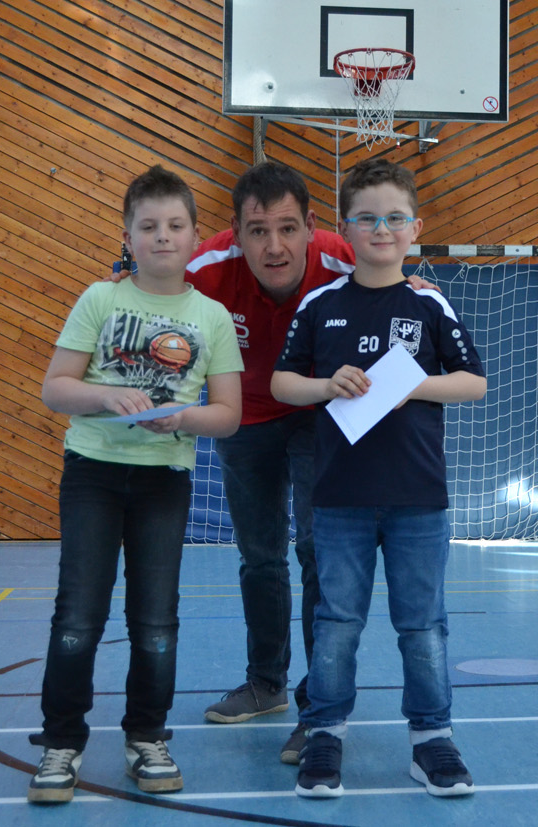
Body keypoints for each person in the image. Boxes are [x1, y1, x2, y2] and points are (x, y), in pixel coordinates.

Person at [27, 165, 243, 804]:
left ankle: (147, 736)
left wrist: (182, 418)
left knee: (155, 620)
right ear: (128, 237)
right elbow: (55, 389)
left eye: (175, 225)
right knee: (78, 614)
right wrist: (104, 396)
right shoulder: (100, 299)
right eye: (148, 226)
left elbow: (228, 415)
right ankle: (61, 743)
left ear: (196, 236)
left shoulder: (212, 316)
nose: (162, 236)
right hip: (92, 475)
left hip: (163, 482)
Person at [271, 158, 486, 799]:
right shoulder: (321, 304)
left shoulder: (428, 302)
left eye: (395, 218)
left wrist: (412, 386)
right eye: (367, 218)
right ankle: (324, 734)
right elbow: (282, 382)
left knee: (422, 625)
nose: (381, 229)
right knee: (337, 622)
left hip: (418, 498)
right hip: (340, 499)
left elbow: (473, 382)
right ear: (345, 229)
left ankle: (431, 740)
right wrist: (324, 385)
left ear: (415, 228)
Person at [185, 162, 355, 763]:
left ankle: (320, 705)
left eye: (287, 228)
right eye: (258, 231)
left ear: (310, 226)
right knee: (259, 557)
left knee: (317, 550)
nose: (274, 246)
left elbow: (392, 290)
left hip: (319, 412)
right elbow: (150, 294)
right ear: (236, 233)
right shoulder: (205, 269)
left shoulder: (341, 261)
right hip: (246, 417)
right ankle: (265, 683)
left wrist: (416, 288)